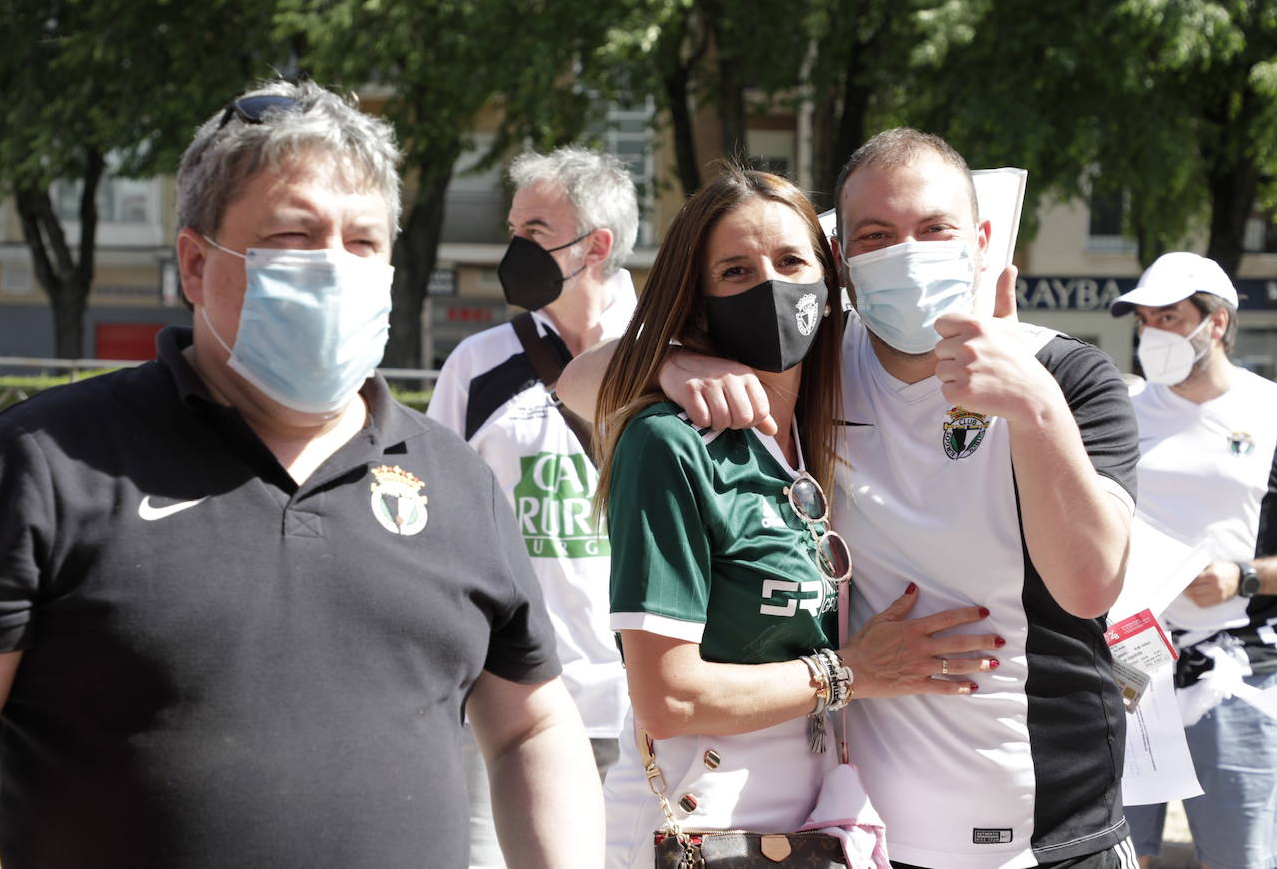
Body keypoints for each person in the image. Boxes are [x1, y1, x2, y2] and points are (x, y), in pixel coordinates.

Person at [0, 79, 603, 869]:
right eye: (296, 237)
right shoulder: (41, 463)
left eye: (364, 242)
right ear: (196, 265)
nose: (336, 268)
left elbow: (532, 727)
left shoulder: (457, 481)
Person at [561, 129, 1141, 868]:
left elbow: (1091, 585)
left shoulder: (1068, 374)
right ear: (846, 260)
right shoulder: (824, 360)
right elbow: (579, 385)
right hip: (869, 838)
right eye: (877, 235)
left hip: (1052, 831)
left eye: (934, 230)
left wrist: (1036, 407)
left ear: (982, 238)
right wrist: (675, 364)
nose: (908, 252)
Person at [591, 167, 1003, 869]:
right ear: (697, 300)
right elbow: (669, 700)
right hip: (697, 829)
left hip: (810, 830)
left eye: (791, 262)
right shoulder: (671, 443)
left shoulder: (819, 437)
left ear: (829, 278)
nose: (771, 288)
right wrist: (852, 672)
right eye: (735, 271)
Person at [427, 146, 637, 866]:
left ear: (596, 246)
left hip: (648, 711)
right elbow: (435, 523)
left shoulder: (669, 354)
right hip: (510, 704)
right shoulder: (477, 365)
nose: (515, 248)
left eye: (536, 230)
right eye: (513, 228)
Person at [1111, 252, 1277, 869]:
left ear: (1217, 322)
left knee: (1240, 856)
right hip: (1131, 657)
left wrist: (1245, 577)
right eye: (1145, 319)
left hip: (1238, 665)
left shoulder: (1270, 412)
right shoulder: (1122, 413)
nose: (1153, 332)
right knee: (1120, 853)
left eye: (1170, 317)